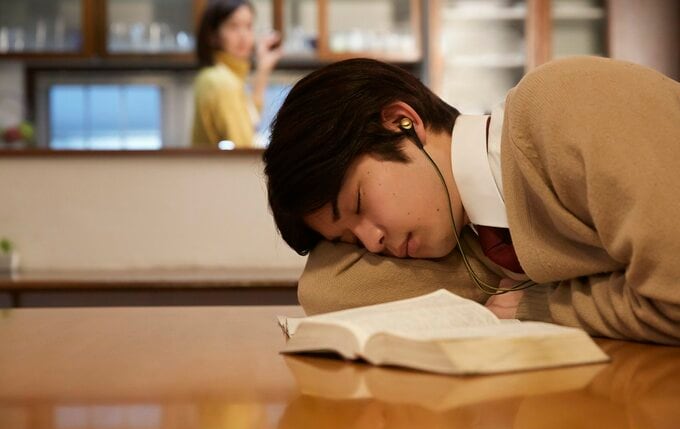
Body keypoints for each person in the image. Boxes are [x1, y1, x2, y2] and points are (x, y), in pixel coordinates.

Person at [263, 55, 680, 345]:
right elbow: (327, 291)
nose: (372, 242)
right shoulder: (483, 242)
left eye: (358, 204)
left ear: (402, 122)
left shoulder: (556, 107)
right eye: (350, 241)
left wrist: (540, 306)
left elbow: (672, 300)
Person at [192, 0, 282, 147]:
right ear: (213, 35)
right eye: (233, 26)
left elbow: (249, 118)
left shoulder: (222, 76)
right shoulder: (221, 82)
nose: (243, 36)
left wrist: (263, 69)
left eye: (249, 26)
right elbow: (244, 146)